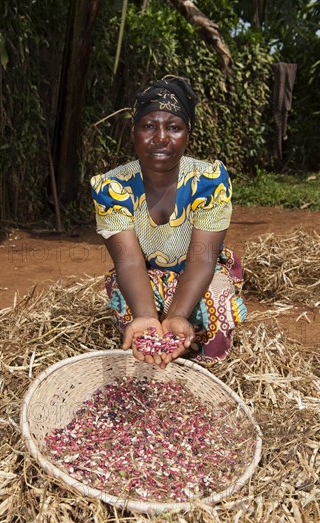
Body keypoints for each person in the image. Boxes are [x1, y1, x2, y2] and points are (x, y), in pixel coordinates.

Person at [90, 75, 247, 368]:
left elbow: (202, 260)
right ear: (134, 131)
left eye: (174, 127)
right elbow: (129, 262)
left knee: (216, 303)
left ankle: (202, 369)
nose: (160, 137)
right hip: (144, 272)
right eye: (149, 126)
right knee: (131, 309)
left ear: (188, 134)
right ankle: (157, 362)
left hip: (200, 270)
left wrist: (177, 314)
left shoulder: (209, 181)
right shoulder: (113, 187)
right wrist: (147, 317)